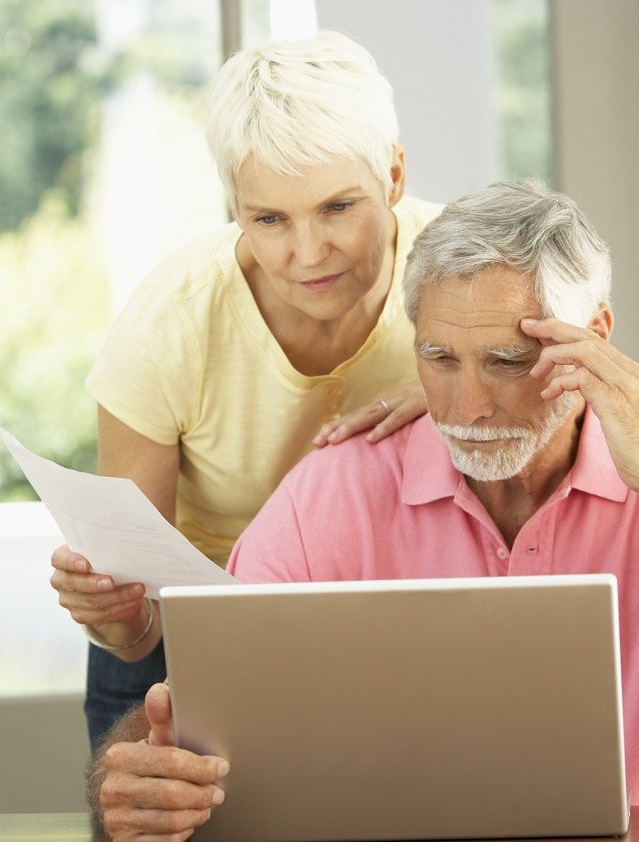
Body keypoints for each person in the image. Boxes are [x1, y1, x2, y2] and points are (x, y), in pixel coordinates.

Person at [87, 180, 639, 838]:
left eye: (508, 362)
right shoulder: (334, 492)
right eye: (439, 360)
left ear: (594, 337)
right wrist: (139, 774)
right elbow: (187, 718)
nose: (468, 408)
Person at [48, 32, 441, 751]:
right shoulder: (169, 323)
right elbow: (135, 633)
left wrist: (457, 390)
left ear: (393, 175)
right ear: (234, 205)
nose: (308, 253)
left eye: (338, 207)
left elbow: (578, 389)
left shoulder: (459, 280)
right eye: (269, 219)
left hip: (388, 614)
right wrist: (113, 611)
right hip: (198, 621)